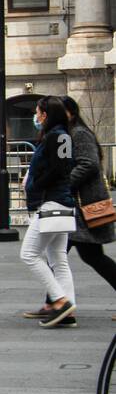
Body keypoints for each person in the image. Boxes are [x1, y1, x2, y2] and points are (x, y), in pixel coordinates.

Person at [19, 96, 77, 328]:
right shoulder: (62, 135)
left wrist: (35, 184)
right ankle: (68, 309)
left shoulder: (55, 136)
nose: (36, 116)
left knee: (29, 254)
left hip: (51, 203)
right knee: (58, 257)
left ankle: (61, 301)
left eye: (38, 112)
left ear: (46, 114)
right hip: (62, 202)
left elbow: (57, 170)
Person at [60, 97, 116, 315]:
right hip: (74, 210)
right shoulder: (69, 134)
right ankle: (55, 303)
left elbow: (89, 164)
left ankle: (57, 304)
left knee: (77, 256)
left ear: (70, 112)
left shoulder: (79, 134)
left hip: (82, 208)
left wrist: (65, 184)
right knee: (63, 255)